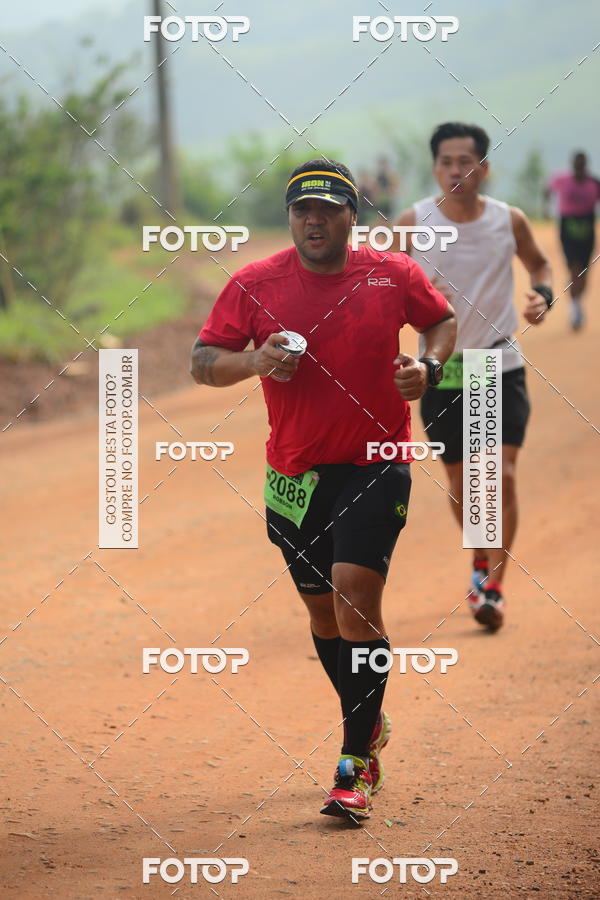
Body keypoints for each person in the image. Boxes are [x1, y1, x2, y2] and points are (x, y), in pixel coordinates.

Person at [191, 158, 456, 820]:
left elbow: (442, 321)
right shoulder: (254, 284)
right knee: (322, 616)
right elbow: (202, 363)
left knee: (354, 601)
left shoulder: (392, 274)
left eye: (328, 209)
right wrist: (252, 360)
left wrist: (427, 366)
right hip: (294, 475)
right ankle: (369, 721)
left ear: (351, 216)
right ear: (290, 218)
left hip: (378, 461)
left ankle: (353, 764)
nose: (313, 220)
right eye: (302, 210)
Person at [394, 122, 552, 632]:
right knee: (465, 483)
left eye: (466, 161)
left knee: (500, 475)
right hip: (444, 371)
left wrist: (540, 297)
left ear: (484, 168)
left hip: (496, 364)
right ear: (435, 168)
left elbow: (541, 266)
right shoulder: (414, 222)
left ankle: (492, 584)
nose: (455, 170)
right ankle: (481, 559)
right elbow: (380, 287)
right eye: (445, 161)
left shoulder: (510, 220)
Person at [545, 152, 600, 330]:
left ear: (585, 165)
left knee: (584, 273)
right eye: (576, 164)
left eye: (582, 164)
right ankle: (575, 309)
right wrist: (545, 208)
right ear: (573, 164)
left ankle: (577, 299)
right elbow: (547, 190)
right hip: (567, 229)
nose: (579, 167)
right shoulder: (562, 180)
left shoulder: (594, 183)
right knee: (574, 269)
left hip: (587, 229)